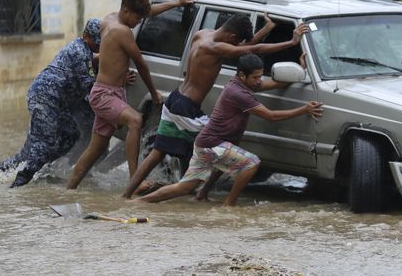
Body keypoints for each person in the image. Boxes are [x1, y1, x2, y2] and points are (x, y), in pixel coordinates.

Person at [122, 13, 310, 198]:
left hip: (175, 98)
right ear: (232, 37)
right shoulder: (216, 48)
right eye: (236, 42)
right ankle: (199, 192)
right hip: (187, 109)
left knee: (158, 152)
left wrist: (266, 29)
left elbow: (244, 47)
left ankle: (127, 194)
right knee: (222, 142)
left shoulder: (203, 34)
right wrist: (292, 42)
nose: (236, 45)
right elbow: (254, 48)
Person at [134, 53, 323, 206]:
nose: (259, 81)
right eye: (256, 77)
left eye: (260, 76)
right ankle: (229, 206)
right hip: (211, 145)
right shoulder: (239, 93)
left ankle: (145, 202)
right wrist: (304, 109)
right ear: (242, 75)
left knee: (185, 188)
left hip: (209, 144)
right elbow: (271, 116)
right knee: (251, 163)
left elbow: (275, 83)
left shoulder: (242, 85)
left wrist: (301, 71)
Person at [66, 0, 194, 189]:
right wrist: (153, 93)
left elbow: (148, 12)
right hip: (105, 94)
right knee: (136, 120)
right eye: (137, 17)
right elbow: (141, 64)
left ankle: (69, 189)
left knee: (95, 149)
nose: (139, 22)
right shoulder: (122, 31)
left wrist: (177, 4)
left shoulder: (109, 19)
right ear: (126, 11)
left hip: (107, 91)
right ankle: (135, 181)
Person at [0, 18, 103, 187]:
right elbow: (89, 86)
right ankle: (19, 183)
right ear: (85, 35)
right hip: (45, 97)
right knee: (45, 143)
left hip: (55, 101)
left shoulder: (83, 49)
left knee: (68, 136)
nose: (99, 46)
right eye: (96, 41)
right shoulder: (81, 52)